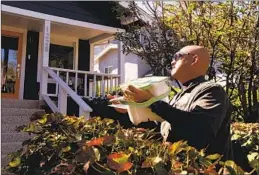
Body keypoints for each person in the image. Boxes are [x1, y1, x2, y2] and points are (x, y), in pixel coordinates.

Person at [109, 45, 233, 160]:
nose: (172, 61)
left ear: (194, 59)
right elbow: (166, 127)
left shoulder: (212, 90)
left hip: (204, 169)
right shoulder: (178, 96)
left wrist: (150, 101)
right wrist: (131, 109)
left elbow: (200, 130)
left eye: (177, 57)